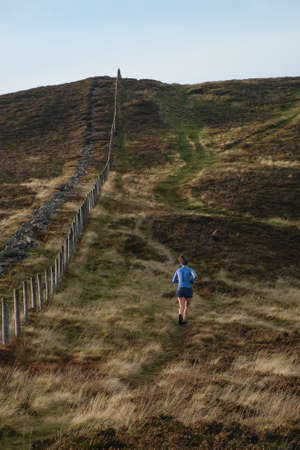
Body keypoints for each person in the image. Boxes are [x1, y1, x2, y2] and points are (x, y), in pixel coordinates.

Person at [172, 255, 197, 325]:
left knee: (181, 306)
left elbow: (173, 280)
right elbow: (195, 276)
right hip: (188, 289)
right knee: (187, 306)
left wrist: (180, 281)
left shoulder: (178, 270)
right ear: (188, 263)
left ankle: (180, 316)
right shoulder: (190, 270)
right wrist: (192, 281)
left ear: (181, 263)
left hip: (180, 289)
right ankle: (185, 320)